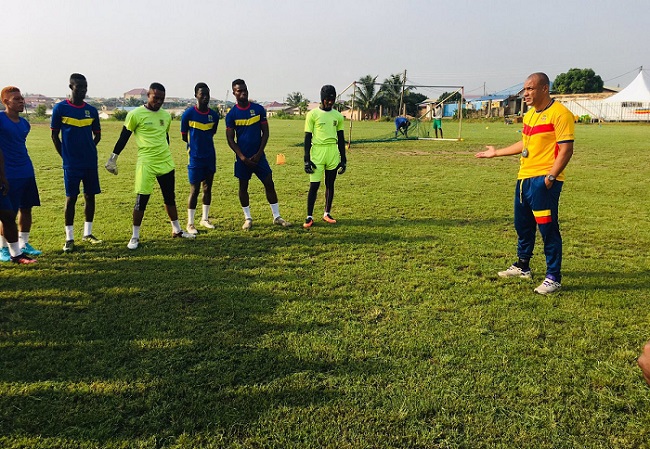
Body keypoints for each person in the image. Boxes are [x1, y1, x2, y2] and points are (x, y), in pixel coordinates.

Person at [475, 72, 574, 295]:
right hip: (524, 178)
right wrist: (497, 153)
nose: (525, 93)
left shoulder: (560, 114)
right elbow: (525, 143)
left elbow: (566, 149)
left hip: (543, 181)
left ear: (544, 89)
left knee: (548, 230)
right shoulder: (530, 116)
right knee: (523, 225)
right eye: (524, 89)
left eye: (530, 89)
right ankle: (523, 266)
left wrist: (550, 177)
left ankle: (553, 277)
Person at [105, 82, 195, 250]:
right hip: (146, 162)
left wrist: (166, 152)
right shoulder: (135, 114)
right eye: (156, 98)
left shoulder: (165, 116)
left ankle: (177, 230)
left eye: (162, 99)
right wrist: (112, 159)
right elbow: (124, 137)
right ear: (148, 95)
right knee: (142, 200)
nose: (159, 102)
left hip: (165, 162)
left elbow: (165, 136)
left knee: (170, 197)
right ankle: (135, 236)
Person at [225, 79, 291, 230]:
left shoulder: (258, 109)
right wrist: (242, 157)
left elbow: (265, 133)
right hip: (243, 159)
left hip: (259, 157)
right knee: (243, 187)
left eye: (245, 90)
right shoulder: (232, 114)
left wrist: (259, 153)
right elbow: (230, 139)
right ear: (234, 93)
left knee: (269, 183)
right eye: (239, 90)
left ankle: (277, 216)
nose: (243, 93)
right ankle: (247, 218)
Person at [51, 73, 102, 252]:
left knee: (90, 196)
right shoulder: (60, 109)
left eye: (85, 88)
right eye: (79, 88)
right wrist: (65, 155)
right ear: (71, 87)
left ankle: (87, 233)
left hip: (89, 162)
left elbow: (98, 135)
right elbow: (54, 135)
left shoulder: (92, 110)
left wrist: (88, 148)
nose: (83, 91)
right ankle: (69, 238)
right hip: (71, 163)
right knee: (71, 198)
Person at [0, 86, 39, 264]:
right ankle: (3, 248)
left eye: (22, 98)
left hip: (26, 171)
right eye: (16, 99)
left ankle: (24, 243)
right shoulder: (0, 119)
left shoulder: (25, 124)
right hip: (9, 174)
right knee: (9, 213)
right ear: (5, 102)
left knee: (26, 208)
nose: (21, 101)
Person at [303, 85, 347, 228]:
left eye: (332, 99)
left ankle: (326, 213)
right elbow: (307, 138)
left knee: (330, 184)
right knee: (314, 186)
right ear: (322, 98)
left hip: (332, 153)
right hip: (317, 153)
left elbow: (341, 139)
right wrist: (306, 159)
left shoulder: (338, 116)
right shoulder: (313, 115)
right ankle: (309, 216)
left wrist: (343, 159)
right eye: (327, 99)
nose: (330, 102)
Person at [180, 82, 219, 234]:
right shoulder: (188, 114)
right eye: (202, 94)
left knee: (207, 187)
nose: (205, 97)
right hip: (195, 157)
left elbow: (212, 133)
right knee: (194, 189)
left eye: (207, 94)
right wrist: (193, 148)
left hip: (210, 156)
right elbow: (184, 136)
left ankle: (205, 219)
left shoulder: (214, 116)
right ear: (196, 95)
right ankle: (190, 223)